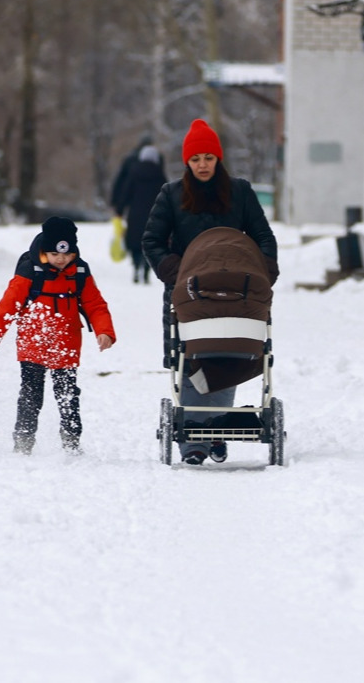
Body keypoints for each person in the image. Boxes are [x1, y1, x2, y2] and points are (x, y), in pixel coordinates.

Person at [142, 119, 278, 466]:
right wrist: (178, 274)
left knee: (230, 352)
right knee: (192, 357)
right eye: (195, 159)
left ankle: (215, 430)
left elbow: (263, 236)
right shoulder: (171, 195)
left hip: (236, 290)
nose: (202, 165)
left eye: (208, 158)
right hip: (189, 292)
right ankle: (195, 441)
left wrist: (263, 272)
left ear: (218, 159)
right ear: (186, 162)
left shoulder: (240, 192)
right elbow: (152, 241)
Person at [0, 217, 116, 455]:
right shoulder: (30, 271)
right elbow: (5, 310)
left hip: (66, 344)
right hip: (33, 343)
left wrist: (104, 332)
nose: (61, 259)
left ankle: (71, 441)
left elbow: (95, 304)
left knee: (68, 397)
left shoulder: (79, 271)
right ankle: (23, 441)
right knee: (31, 395)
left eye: (67, 254)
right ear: (44, 251)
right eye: (54, 254)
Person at [116, 144, 166, 284]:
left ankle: (136, 266)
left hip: (135, 213)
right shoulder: (159, 174)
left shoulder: (134, 172)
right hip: (153, 214)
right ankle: (146, 270)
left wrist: (120, 209)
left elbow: (126, 192)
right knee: (150, 241)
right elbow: (165, 194)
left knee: (134, 241)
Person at [109, 132, 152, 217]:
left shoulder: (130, 158)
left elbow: (121, 180)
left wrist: (117, 202)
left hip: (133, 198)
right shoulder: (155, 159)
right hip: (150, 199)